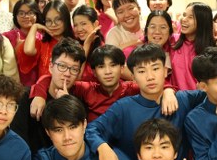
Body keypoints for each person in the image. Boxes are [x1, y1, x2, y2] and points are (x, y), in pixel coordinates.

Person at [85, 44, 212, 160]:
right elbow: (92, 129)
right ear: (133, 77)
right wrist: (102, 147)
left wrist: (169, 91)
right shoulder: (123, 108)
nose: (150, 77)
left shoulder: (182, 99)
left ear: (165, 71)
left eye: (155, 68)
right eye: (141, 71)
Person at [30, 44, 177, 122]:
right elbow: (53, 79)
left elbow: (152, 84)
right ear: (94, 72)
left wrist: (168, 91)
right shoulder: (87, 89)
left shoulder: (131, 88)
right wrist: (39, 95)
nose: (108, 72)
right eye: (101, 66)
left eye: (113, 65)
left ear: (122, 68)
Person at [16, 0, 75, 82]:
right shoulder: (42, 43)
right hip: (43, 88)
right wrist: (35, 26)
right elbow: (28, 50)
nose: (53, 24)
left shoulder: (75, 44)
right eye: (48, 21)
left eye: (58, 19)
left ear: (66, 20)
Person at [170, 2, 215, 90]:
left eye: (190, 17)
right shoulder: (173, 40)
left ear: (202, 22)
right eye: (184, 15)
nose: (184, 19)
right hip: (175, 97)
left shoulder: (210, 50)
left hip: (199, 97)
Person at [73, 5, 104, 81]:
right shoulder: (72, 48)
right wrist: (86, 45)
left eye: (83, 24)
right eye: (75, 25)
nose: (79, 29)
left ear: (95, 24)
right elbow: (76, 77)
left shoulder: (103, 48)